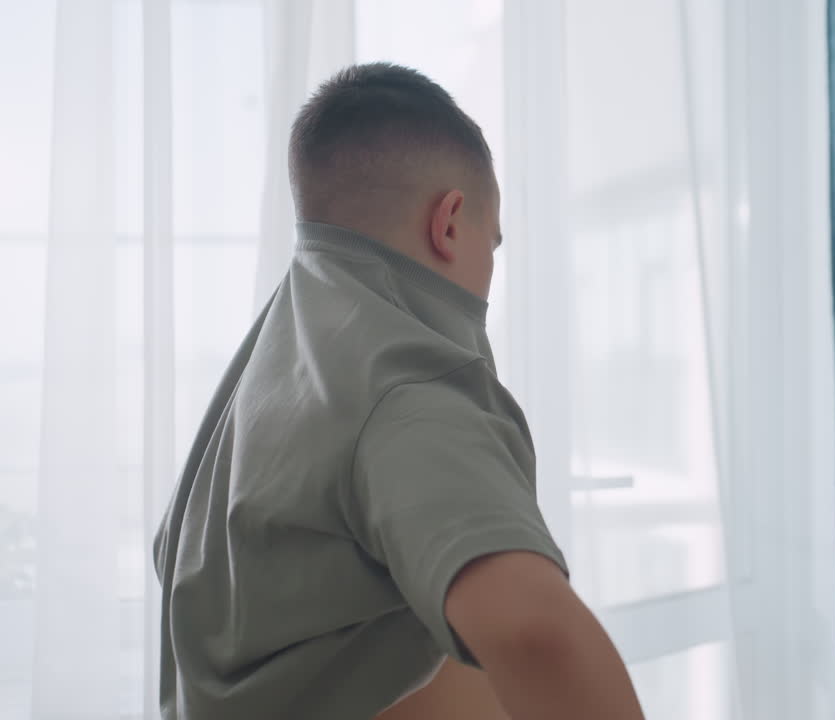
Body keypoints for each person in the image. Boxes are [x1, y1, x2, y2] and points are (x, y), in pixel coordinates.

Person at [152, 62, 645, 720]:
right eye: (490, 245)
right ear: (448, 222)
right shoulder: (405, 380)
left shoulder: (282, 357)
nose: (489, 276)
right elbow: (538, 633)